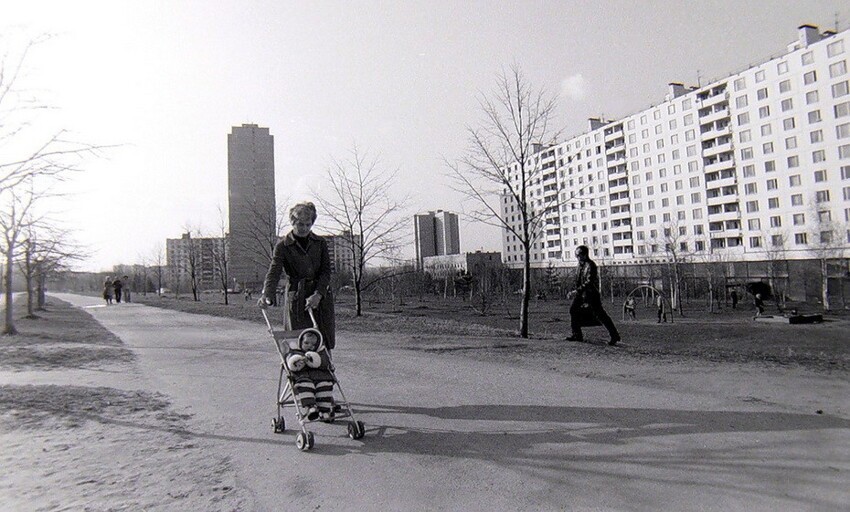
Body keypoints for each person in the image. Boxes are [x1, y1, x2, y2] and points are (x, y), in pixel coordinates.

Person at [259, 202, 335, 349]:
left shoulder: (320, 243)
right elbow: (274, 271)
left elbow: (326, 271)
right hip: (297, 298)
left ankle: (325, 370)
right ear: (292, 222)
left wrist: (318, 295)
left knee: (321, 342)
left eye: (308, 224)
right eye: (300, 224)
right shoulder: (282, 246)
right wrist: (267, 295)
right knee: (297, 342)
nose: (304, 228)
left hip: (320, 297)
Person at [566, 245, 620, 346]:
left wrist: (576, 291)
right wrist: (575, 291)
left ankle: (614, 335)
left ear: (585, 255)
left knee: (601, 315)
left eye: (579, 255)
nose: (577, 257)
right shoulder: (579, 266)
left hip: (590, 295)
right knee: (573, 310)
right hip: (581, 294)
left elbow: (589, 282)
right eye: (576, 255)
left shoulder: (591, 265)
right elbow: (578, 281)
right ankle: (577, 334)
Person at [285, 328, 335, 421]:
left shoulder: (320, 353)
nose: (310, 346)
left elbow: (326, 363)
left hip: (320, 377)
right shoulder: (295, 352)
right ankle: (311, 408)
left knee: (325, 385)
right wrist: (296, 362)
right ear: (300, 342)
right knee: (305, 385)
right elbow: (289, 362)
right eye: (306, 343)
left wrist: (315, 359)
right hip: (302, 377)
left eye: (313, 345)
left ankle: (324, 411)